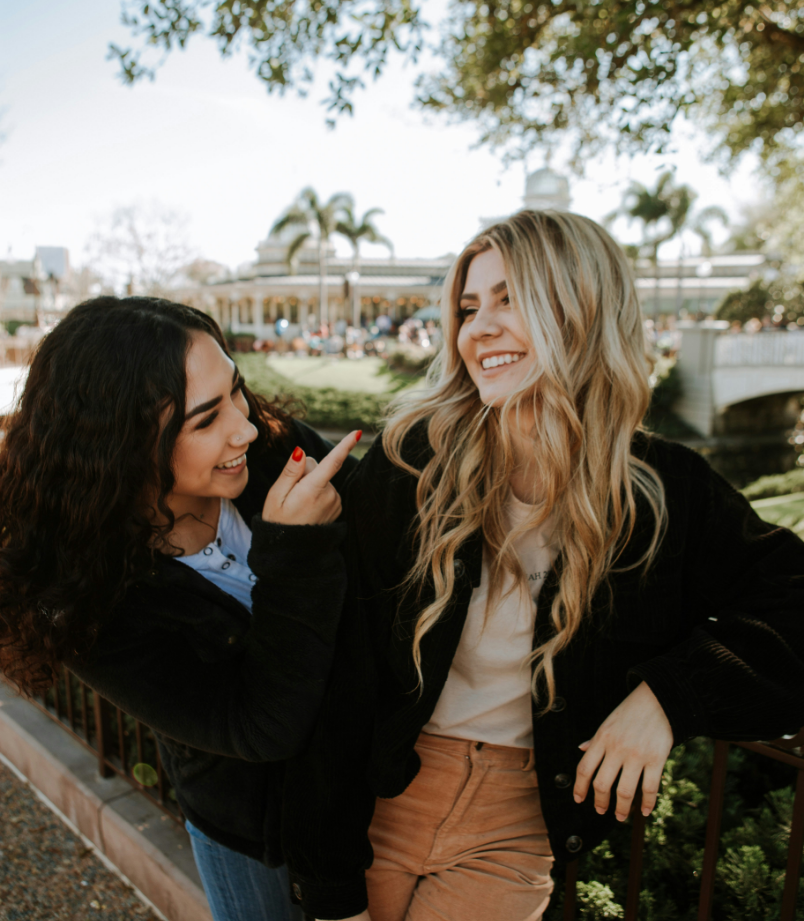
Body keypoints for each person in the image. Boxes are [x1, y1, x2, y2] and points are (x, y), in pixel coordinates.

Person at [281, 210, 804, 921]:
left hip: (514, 825)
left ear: (584, 309)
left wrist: (668, 698)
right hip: (375, 798)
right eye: (470, 307)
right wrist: (333, 891)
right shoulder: (413, 466)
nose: (479, 329)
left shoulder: (665, 490)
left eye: (511, 299)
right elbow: (335, 676)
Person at [0, 296, 360, 921]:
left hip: (365, 785)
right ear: (122, 444)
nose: (244, 427)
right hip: (253, 834)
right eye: (205, 420)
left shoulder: (269, 453)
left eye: (237, 392)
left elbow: (399, 537)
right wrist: (295, 551)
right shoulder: (84, 597)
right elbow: (261, 727)